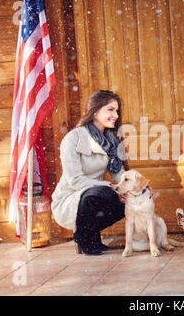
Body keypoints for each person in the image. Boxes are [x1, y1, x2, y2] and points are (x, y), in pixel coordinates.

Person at [52, 90, 146, 255]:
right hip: (70, 197)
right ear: (95, 112)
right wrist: (108, 185)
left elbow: (120, 175)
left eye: (116, 110)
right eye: (110, 110)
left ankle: (91, 233)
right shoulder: (72, 138)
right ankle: (84, 237)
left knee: (127, 201)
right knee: (99, 193)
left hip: (94, 193)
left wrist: (140, 188)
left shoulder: (111, 140)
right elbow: (74, 180)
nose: (115, 115)